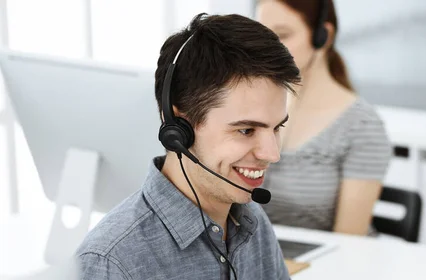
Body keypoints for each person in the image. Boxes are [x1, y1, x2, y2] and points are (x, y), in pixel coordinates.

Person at [75, 13, 301, 280]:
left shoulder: (251, 221)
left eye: (276, 128)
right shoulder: (112, 263)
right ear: (178, 128)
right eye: (245, 130)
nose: (271, 154)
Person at [256, 0, 393, 236]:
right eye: (261, 37)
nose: (266, 50)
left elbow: (349, 241)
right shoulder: (253, 110)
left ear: (323, 36)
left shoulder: (361, 126)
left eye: (282, 35)